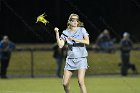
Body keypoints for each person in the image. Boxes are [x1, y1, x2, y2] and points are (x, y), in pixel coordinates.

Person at [54, 13, 89, 93]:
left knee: (81, 82)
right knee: (65, 84)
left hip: (81, 59)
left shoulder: (82, 30)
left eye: (76, 20)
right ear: (69, 21)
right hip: (70, 60)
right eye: (73, 20)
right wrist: (57, 33)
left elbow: (87, 41)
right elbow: (60, 45)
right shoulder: (65, 32)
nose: (75, 21)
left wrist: (76, 39)